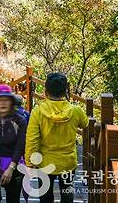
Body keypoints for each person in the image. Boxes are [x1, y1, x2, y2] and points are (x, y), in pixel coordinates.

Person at [25, 72, 88, 203]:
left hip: (45, 162)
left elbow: (32, 139)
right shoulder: (75, 111)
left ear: (46, 91)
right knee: (67, 191)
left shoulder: (38, 111)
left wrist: (30, 162)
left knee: (45, 196)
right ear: (66, 90)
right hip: (68, 162)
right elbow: (85, 124)